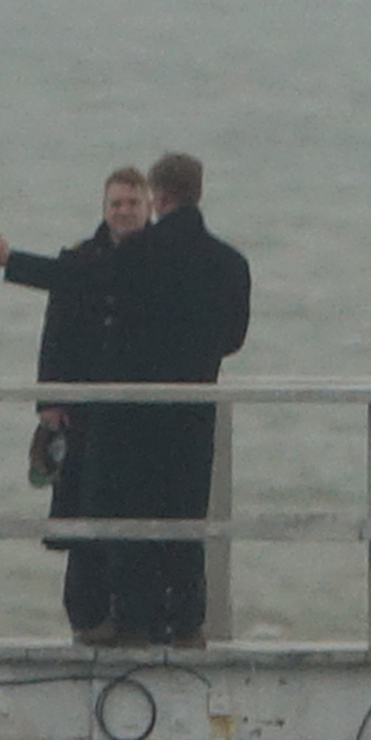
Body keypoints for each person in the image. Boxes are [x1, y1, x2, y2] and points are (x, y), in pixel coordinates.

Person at [0, 168, 152, 644]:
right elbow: (57, 334)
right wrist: (49, 402)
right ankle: (86, 619)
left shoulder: (162, 259)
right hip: (84, 415)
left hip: (143, 415)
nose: (123, 211)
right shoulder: (81, 259)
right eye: (115, 203)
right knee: (82, 523)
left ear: (148, 205)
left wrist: (13, 261)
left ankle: (137, 618)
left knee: (140, 524)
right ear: (104, 208)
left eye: (132, 202)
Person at [100, 152, 250, 646]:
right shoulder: (231, 263)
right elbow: (233, 339)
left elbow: (108, 316)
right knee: (187, 514)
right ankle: (186, 619)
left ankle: (135, 617)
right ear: (198, 192)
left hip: (138, 409)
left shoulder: (134, 254)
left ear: (158, 197)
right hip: (194, 404)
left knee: (137, 510)